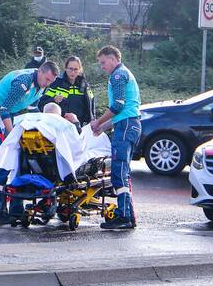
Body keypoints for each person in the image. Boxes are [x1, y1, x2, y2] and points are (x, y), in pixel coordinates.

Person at [0, 61, 59, 223]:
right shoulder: (23, 82)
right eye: (46, 80)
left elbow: (33, 109)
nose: (47, 84)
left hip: (12, 113)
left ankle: (16, 208)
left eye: (51, 82)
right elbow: (3, 109)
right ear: (40, 71)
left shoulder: (42, 83)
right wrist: (11, 134)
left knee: (19, 158)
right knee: (2, 161)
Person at [89, 45, 141, 230]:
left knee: (118, 172)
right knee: (123, 172)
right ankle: (129, 215)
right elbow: (123, 112)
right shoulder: (126, 74)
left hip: (125, 128)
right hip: (129, 124)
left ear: (113, 58)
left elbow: (118, 106)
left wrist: (98, 123)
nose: (102, 66)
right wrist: (103, 127)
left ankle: (124, 217)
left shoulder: (118, 76)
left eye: (103, 62)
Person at [37, 55, 94, 127]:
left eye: (76, 69)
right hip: (59, 125)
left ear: (80, 69)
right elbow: (41, 104)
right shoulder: (56, 84)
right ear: (66, 68)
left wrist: (91, 123)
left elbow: (91, 106)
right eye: (70, 69)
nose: (72, 72)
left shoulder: (84, 85)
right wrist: (54, 99)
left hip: (79, 126)